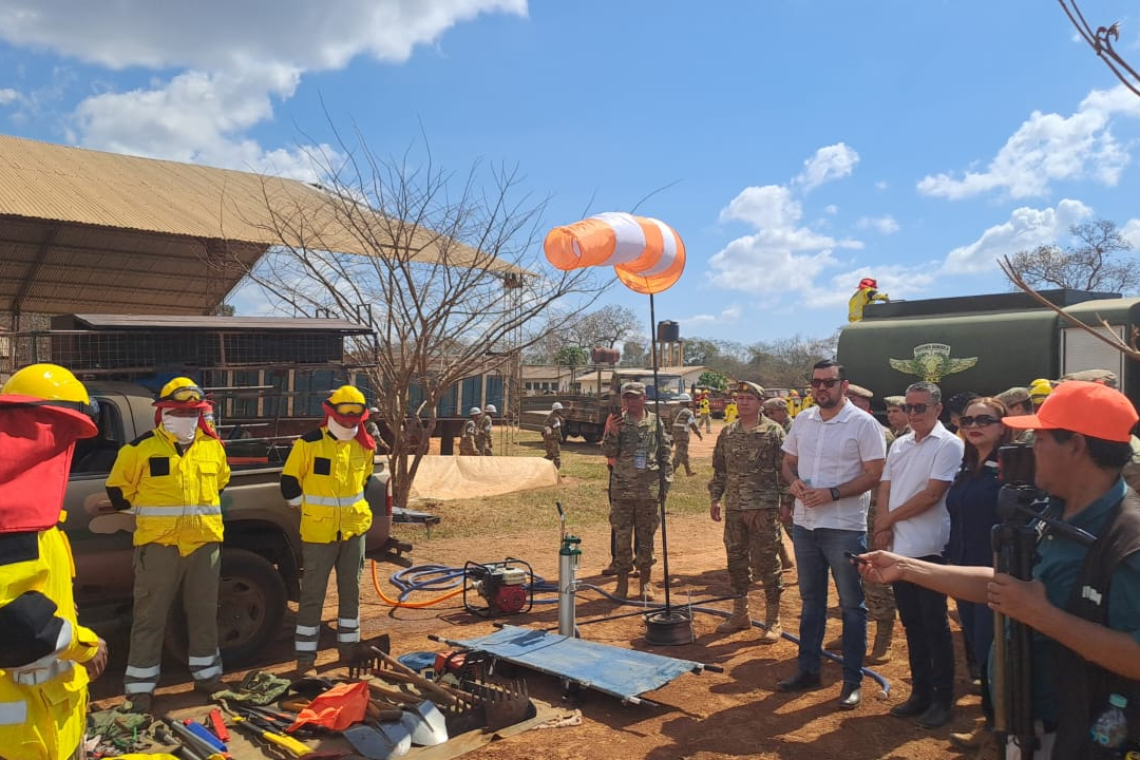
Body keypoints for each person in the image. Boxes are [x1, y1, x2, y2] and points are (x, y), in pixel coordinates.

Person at [859, 380, 1140, 759]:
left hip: (1084, 737)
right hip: (1027, 725)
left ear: (1075, 445)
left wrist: (1042, 616)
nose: (1029, 448)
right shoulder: (1052, 512)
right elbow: (1009, 588)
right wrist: (907, 568)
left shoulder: (1127, 539)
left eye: (1040, 439)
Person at [0, 364, 108, 759]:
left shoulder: (39, 520)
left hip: (50, 714)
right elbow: (16, 625)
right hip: (21, 731)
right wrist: (86, 645)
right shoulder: (13, 520)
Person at [107, 377, 230, 712]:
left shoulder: (213, 447)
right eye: (178, 411)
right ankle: (140, 692)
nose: (186, 417)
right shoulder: (140, 450)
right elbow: (118, 493)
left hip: (204, 545)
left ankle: (209, 679)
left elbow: (219, 484)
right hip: (159, 547)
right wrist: (155, 518)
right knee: (150, 617)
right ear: (162, 412)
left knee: (204, 614)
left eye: (193, 412)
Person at [778, 360, 886, 710]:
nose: (821, 388)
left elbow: (874, 473)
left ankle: (852, 681)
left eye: (828, 382)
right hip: (805, 524)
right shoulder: (804, 420)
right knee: (811, 602)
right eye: (816, 383)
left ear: (844, 384)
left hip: (842, 525)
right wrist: (793, 482)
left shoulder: (863, 424)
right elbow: (787, 461)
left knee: (852, 606)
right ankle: (808, 670)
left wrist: (833, 493)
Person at [873, 381, 964, 729]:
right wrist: (883, 525)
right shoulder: (900, 444)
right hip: (898, 545)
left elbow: (932, 494)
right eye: (909, 407)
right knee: (911, 623)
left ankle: (942, 699)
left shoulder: (949, 444)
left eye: (920, 407)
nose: (913, 414)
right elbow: (886, 485)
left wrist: (887, 520)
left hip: (929, 548)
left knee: (934, 625)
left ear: (938, 410)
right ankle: (920, 692)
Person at [281, 385, 376, 675]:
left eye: (354, 420)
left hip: (353, 531)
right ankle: (305, 661)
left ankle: (348, 651)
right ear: (331, 413)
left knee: (351, 592)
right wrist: (308, 510)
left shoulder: (364, 445)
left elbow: (365, 482)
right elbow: (289, 482)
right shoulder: (309, 444)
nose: (349, 423)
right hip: (319, 534)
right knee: (313, 596)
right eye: (344, 417)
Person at [944, 396, 1012, 753]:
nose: (974, 425)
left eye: (984, 420)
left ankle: (999, 730)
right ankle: (991, 723)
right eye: (968, 420)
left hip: (995, 575)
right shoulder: (966, 468)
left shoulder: (1010, 469)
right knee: (980, 650)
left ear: (1002, 427)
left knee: (994, 654)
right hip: (963, 570)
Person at [709, 381, 787, 644]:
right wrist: (715, 499)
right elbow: (720, 469)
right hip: (734, 509)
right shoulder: (727, 432)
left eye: (749, 398)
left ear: (760, 402)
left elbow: (785, 470)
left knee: (767, 563)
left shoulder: (774, 432)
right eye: (740, 398)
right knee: (736, 562)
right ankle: (740, 613)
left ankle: (772, 619)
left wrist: (785, 504)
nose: (743, 402)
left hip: (763, 510)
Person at [830, 382, 897, 665]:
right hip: (843, 514)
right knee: (848, 574)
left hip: (872, 515)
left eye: (855, 401)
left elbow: (892, 482)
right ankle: (854, 631)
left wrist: (885, 522)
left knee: (876, 576)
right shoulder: (835, 431)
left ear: (867, 406)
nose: (849, 405)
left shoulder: (884, 436)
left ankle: (884, 636)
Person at [601, 382, 671, 601]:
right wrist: (612, 432)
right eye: (626, 397)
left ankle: (645, 582)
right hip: (622, 489)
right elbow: (608, 452)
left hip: (648, 490)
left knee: (646, 536)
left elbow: (665, 455)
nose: (629, 401)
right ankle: (621, 583)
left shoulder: (655, 422)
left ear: (644, 398)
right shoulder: (617, 421)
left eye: (633, 397)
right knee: (622, 537)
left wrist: (664, 485)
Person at [762, 397, 797, 572]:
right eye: (767, 413)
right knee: (777, 523)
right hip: (778, 484)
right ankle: (784, 559)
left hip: (792, 485)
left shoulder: (792, 429)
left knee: (792, 526)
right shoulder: (776, 429)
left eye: (772, 412)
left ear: (783, 411)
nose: (770, 416)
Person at [671, 393, 703, 477]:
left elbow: (669, 422)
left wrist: (672, 432)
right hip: (683, 434)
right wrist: (698, 433)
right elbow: (692, 424)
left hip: (675, 433)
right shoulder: (688, 412)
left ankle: (688, 471)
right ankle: (671, 471)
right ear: (686, 402)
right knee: (680, 452)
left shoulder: (673, 410)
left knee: (683, 452)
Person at [542, 402, 564, 470]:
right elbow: (554, 430)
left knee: (550, 456)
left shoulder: (552, 417)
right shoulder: (553, 418)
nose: (561, 410)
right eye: (560, 409)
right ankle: (555, 472)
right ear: (556, 410)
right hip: (553, 440)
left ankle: (541, 466)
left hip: (550, 439)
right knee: (556, 457)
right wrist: (559, 437)